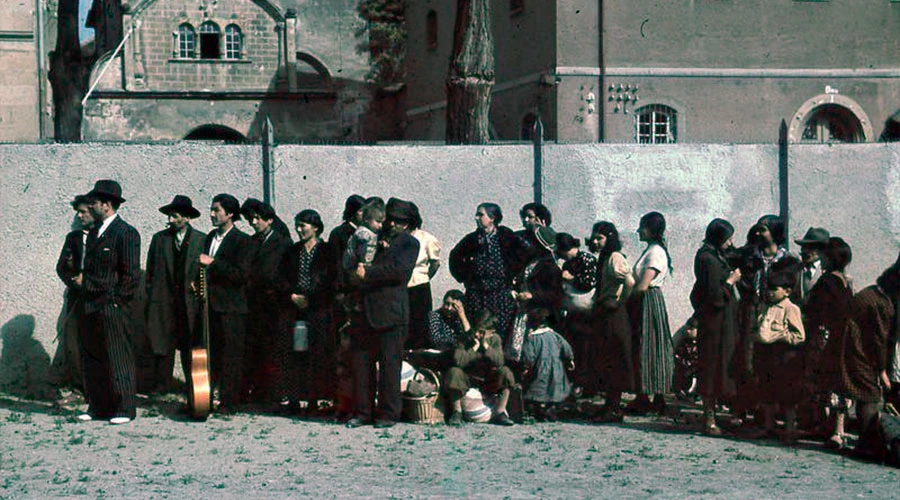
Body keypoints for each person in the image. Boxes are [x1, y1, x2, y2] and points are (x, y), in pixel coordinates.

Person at [346, 198, 420, 429]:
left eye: (397, 221)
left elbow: (398, 271)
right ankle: (363, 412)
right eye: (389, 219)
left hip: (390, 314)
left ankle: (388, 414)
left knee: (390, 367)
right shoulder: (375, 237)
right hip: (364, 312)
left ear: (406, 224)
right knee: (361, 365)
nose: (391, 224)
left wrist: (367, 273)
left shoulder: (409, 243)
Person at [77, 180, 141, 425]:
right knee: (94, 357)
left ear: (107, 204)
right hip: (91, 304)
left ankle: (125, 408)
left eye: (95, 202)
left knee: (118, 358)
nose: (91, 205)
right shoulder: (94, 232)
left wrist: (115, 301)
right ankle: (98, 407)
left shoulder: (126, 233)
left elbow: (131, 275)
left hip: (112, 306)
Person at [829, 262, 899, 455]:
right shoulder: (880, 304)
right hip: (854, 349)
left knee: (866, 393)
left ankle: (866, 443)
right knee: (869, 394)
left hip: (853, 346)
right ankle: (867, 445)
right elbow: (879, 339)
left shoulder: (874, 295)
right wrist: (883, 370)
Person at [144, 195, 207, 397]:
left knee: (190, 346)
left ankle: (192, 386)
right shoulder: (159, 239)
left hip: (189, 303)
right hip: (163, 302)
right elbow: (151, 272)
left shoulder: (201, 240)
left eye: (175, 216)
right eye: (170, 216)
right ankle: (162, 385)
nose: (171, 220)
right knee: (162, 345)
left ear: (187, 218)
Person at [199, 194, 252, 415]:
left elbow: (241, 274)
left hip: (232, 308)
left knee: (231, 356)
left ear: (230, 214)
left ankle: (230, 402)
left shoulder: (242, 241)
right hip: (210, 306)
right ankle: (209, 397)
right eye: (211, 210)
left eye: (217, 210)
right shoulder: (211, 236)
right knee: (213, 354)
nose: (212, 214)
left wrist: (214, 263)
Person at [690, 219, 742, 435]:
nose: (731, 243)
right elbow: (714, 296)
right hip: (715, 323)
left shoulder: (713, 255)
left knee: (720, 366)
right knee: (710, 367)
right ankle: (708, 417)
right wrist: (730, 281)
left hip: (722, 322)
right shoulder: (708, 259)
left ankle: (718, 415)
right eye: (728, 238)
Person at [449, 203, 529, 343]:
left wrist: (514, 277)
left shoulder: (506, 236)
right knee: (477, 329)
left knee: (501, 330)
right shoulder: (472, 239)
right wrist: (464, 277)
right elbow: (454, 257)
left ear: (492, 218)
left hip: (501, 293)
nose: (476, 218)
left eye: (480, 214)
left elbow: (523, 255)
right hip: (477, 293)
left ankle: (499, 361)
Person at [281, 209, 334, 413]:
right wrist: (292, 296)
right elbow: (283, 277)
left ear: (316, 227)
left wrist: (311, 299)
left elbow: (330, 280)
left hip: (319, 308)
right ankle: (296, 397)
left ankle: (316, 398)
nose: (299, 229)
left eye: (303, 225)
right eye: (298, 225)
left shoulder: (327, 251)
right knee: (297, 351)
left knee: (318, 352)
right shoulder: (293, 251)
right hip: (296, 308)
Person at [243, 200, 292, 406]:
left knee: (274, 348)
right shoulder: (252, 241)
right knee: (257, 348)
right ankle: (260, 389)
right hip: (255, 303)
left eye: (258, 219)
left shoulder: (282, 243)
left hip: (274, 303)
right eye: (252, 219)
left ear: (269, 220)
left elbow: (283, 272)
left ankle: (276, 391)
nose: (254, 223)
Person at [806, 237, 854, 448]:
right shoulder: (845, 282)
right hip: (842, 338)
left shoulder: (826, 283)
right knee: (839, 383)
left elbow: (816, 311)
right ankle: (837, 429)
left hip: (826, 339)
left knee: (826, 382)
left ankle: (834, 430)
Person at [628, 211, 675, 415]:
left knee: (650, 346)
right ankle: (647, 396)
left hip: (648, 301)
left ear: (650, 229)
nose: (639, 230)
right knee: (647, 346)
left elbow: (643, 285)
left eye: (642, 226)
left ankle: (653, 397)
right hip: (648, 301)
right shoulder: (652, 250)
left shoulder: (655, 252)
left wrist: (627, 300)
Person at [589, 222, 636, 423]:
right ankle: (610, 405)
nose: (595, 241)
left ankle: (614, 408)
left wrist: (619, 302)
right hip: (605, 312)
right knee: (607, 359)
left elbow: (630, 282)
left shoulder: (615, 257)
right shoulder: (605, 257)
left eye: (600, 238)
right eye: (594, 237)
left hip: (613, 314)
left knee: (615, 359)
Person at [51, 194, 94, 407]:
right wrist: (73, 280)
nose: (79, 216)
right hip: (76, 299)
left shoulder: (106, 235)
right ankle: (79, 389)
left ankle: (99, 390)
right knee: (73, 344)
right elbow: (61, 267)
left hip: (99, 299)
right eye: (78, 212)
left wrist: (90, 278)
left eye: (83, 211)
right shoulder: (73, 238)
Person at [752, 272, 806, 444]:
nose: (770, 293)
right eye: (768, 289)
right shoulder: (766, 307)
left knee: (787, 394)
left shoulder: (791, 309)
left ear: (787, 291)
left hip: (785, 356)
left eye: (774, 289)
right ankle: (769, 425)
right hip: (767, 355)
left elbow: (799, 335)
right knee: (767, 391)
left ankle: (790, 429)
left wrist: (783, 336)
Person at [444, 311, 516, 426]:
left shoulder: (495, 339)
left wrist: (486, 347)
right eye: (476, 330)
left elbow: (499, 362)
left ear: (491, 332)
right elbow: (459, 361)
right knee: (454, 372)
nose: (477, 334)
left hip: (487, 379)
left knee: (505, 372)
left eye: (482, 332)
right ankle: (457, 412)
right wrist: (474, 349)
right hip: (468, 377)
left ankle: (499, 412)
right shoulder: (465, 338)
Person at [507, 226, 563, 362]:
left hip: (538, 313)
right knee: (517, 349)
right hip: (524, 310)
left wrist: (532, 295)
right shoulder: (532, 261)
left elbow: (555, 294)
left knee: (533, 350)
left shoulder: (550, 266)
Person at [555, 232, 597, 396]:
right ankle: (574, 382)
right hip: (572, 312)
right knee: (573, 348)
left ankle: (585, 384)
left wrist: (571, 278)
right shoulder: (567, 263)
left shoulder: (586, 259)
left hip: (586, 313)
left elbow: (590, 282)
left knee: (585, 349)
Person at [521, 308, 574, 422]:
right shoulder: (554, 335)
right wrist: (570, 359)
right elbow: (566, 347)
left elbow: (529, 356)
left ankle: (538, 410)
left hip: (540, 369)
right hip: (556, 368)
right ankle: (551, 410)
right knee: (553, 389)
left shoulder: (532, 339)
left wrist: (526, 367)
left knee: (538, 389)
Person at [406, 202, 442, 350]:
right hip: (401, 286)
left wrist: (425, 276)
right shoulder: (397, 237)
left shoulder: (427, 238)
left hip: (419, 287)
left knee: (419, 324)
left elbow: (435, 263)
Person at [342, 198, 385, 313]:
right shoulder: (364, 234)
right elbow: (362, 250)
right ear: (367, 220)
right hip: (355, 265)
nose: (380, 226)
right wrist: (362, 263)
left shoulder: (372, 232)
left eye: (382, 222)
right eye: (378, 222)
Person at [794, 227, 830, 307]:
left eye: (811, 248)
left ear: (821, 250)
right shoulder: (797, 270)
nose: (805, 251)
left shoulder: (827, 270)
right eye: (804, 247)